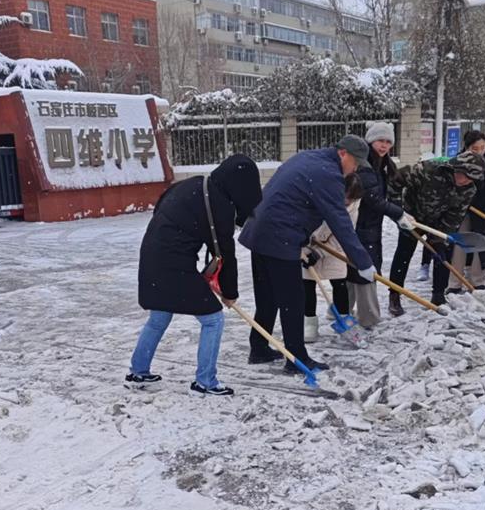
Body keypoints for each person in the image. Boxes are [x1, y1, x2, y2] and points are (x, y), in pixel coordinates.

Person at [239, 135, 378, 373]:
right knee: (293, 301)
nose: (354, 169)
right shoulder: (328, 174)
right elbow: (339, 221)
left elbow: (290, 198)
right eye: (355, 163)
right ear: (343, 153)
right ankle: (297, 359)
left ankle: (259, 348)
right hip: (279, 237)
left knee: (267, 296)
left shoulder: (308, 158)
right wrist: (363, 262)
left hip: (260, 230)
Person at [128, 154, 262, 396]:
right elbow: (225, 252)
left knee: (159, 317)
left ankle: (138, 372)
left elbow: (163, 211)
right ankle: (205, 382)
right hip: (174, 265)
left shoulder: (194, 185)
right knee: (213, 320)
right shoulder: (218, 204)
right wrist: (229, 293)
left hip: (151, 255)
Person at [387, 151, 485, 312]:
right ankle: (395, 295)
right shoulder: (428, 170)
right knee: (404, 254)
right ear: (456, 168)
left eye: (471, 179)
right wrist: (398, 211)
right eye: (464, 176)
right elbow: (396, 180)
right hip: (412, 217)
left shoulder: (468, 189)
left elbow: (456, 215)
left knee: (442, 255)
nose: (465, 181)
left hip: (438, 222)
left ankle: (438, 296)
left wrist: (441, 236)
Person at [350, 121, 414, 327]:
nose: (384, 145)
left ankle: (341, 311)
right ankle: (368, 317)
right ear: (370, 141)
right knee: (366, 269)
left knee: (353, 268)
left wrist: (399, 214)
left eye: (388, 141)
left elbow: (385, 196)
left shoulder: (382, 164)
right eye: (380, 140)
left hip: (369, 223)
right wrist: (399, 214)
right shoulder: (366, 165)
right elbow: (373, 199)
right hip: (361, 224)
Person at [301, 173, 364, 341]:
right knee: (307, 284)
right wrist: (305, 248)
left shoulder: (353, 208)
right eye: (346, 197)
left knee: (339, 283)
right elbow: (305, 222)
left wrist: (320, 253)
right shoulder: (319, 197)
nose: (348, 202)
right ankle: (309, 323)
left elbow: (344, 234)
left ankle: (344, 319)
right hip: (309, 243)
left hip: (335, 248)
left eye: (352, 199)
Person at [447, 130, 485, 292]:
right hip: (463, 207)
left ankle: (477, 280)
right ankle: (455, 282)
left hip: (483, 207)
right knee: (461, 241)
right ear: (466, 147)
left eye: (483, 147)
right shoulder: (459, 161)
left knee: (481, 243)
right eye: (475, 148)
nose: (480, 151)